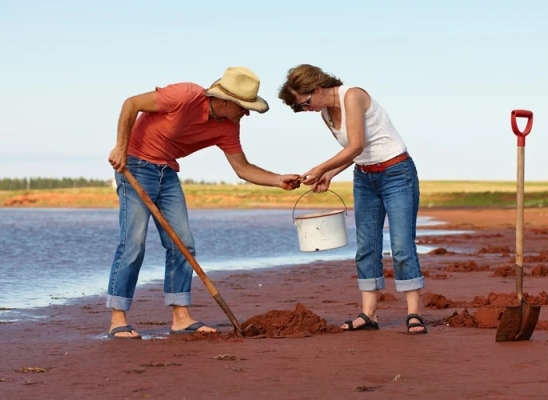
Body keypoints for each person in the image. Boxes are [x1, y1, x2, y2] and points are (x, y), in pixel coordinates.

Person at [107, 66, 302, 338]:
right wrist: (121, 147)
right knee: (134, 243)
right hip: (135, 165)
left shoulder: (228, 127)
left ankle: (180, 316)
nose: (246, 113)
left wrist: (278, 179)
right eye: (244, 107)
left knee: (182, 243)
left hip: (167, 172)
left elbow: (243, 169)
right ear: (224, 100)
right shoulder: (185, 95)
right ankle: (118, 318)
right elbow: (132, 104)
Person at [278, 64, 427, 334]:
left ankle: (414, 313)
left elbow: (356, 144)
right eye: (301, 107)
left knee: (402, 245)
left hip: (396, 172)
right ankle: (369, 315)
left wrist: (321, 167)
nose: (306, 109)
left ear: (318, 88)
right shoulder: (325, 113)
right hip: (365, 177)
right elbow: (354, 154)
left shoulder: (353, 96)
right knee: (366, 246)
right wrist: (331, 173)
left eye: (305, 102)